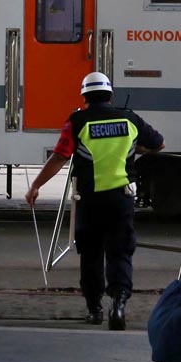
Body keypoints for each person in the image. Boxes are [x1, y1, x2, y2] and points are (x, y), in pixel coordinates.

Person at [27, 72, 164, 329]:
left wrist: (36, 186)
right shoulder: (129, 118)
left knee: (90, 254)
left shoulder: (77, 121)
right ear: (110, 95)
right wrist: (140, 149)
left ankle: (94, 309)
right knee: (119, 251)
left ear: (84, 96)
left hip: (89, 199)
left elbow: (59, 157)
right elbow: (159, 143)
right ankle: (119, 304)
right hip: (122, 198)